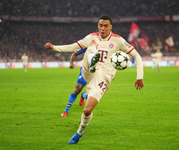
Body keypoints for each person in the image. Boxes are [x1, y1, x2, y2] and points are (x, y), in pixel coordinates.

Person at [44, 14, 144, 144]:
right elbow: (74, 46)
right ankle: (92, 63)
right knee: (91, 46)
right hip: (89, 70)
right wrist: (54, 48)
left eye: (106, 26)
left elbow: (136, 56)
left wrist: (139, 77)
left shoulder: (118, 41)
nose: (103, 28)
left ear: (110, 27)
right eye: (101, 25)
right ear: (98, 26)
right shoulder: (92, 37)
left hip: (104, 76)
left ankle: (79, 132)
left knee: (87, 111)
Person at [61, 48, 88, 117]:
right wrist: (71, 63)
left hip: (97, 71)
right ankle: (66, 111)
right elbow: (75, 53)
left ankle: (83, 95)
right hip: (85, 70)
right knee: (77, 89)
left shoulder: (104, 46)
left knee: (94, 95)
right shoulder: (88, 44)